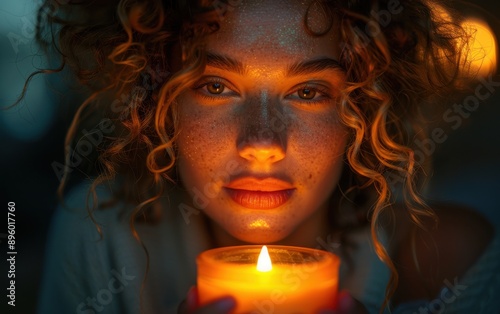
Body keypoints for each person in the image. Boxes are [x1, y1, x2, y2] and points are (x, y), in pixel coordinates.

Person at [33, 0, 499, 313]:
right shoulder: (98, 234)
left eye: (308, 92)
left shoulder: (443, 262)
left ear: (360, 107)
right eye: (216, 86)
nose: (261, 142)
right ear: (160, 100)